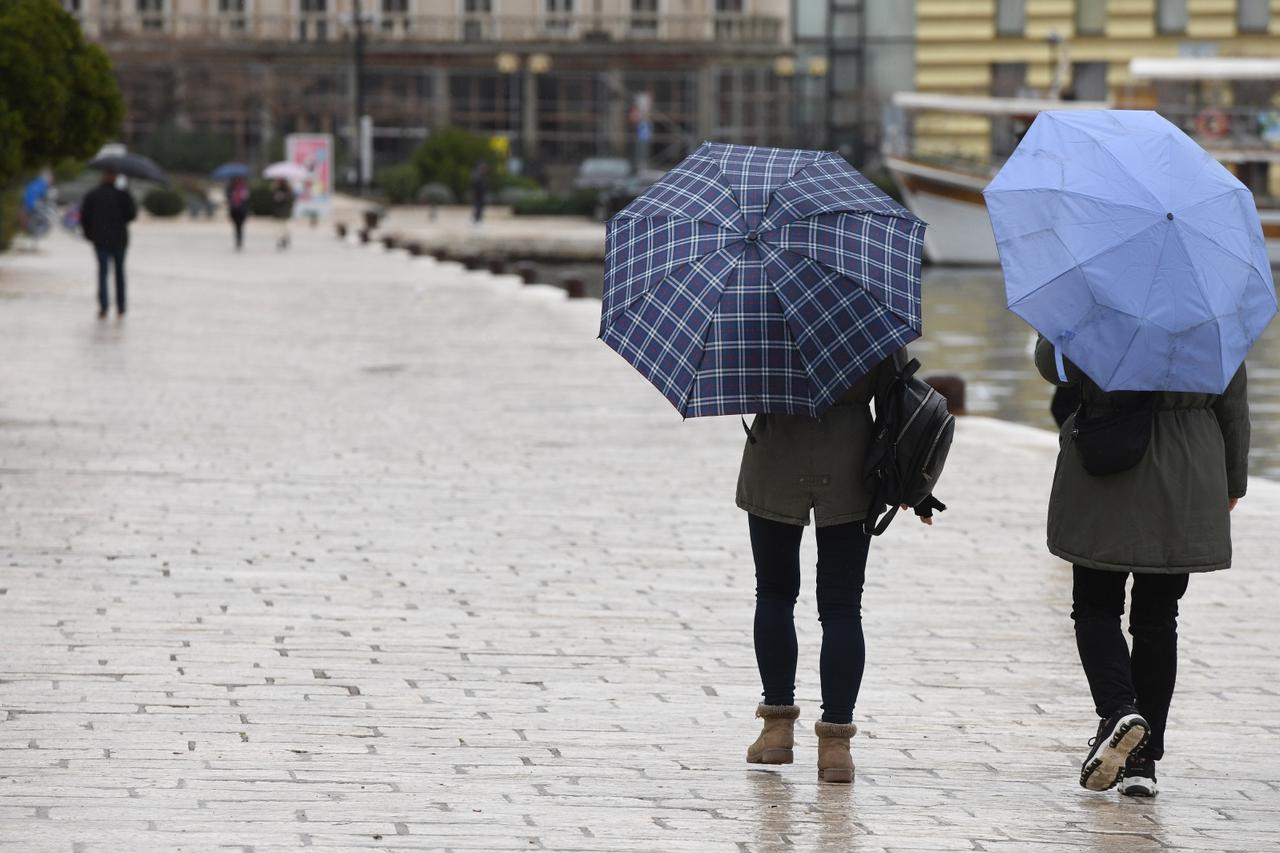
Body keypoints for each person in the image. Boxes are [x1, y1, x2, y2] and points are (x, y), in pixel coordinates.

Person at [1034, 337, 1249, 798]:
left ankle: (1118, 712)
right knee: (1157, 619)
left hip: (1104, 462)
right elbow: (1233, 404)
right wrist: (1232, 479)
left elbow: (1054, 369)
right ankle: (1141, 765)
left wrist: (1058, 328)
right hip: (1188, 466)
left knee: (1095, 607)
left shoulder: (1096, 305)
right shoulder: (1212, 312)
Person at [738, 350, 936, 784]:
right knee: (843, 606)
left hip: (775, 455)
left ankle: (776, 730)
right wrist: (916, 486)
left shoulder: (751, 309)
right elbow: (898, 399)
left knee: (773, 592)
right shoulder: (866, 311)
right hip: (853, 463)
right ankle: (836, 747)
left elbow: (737, 383)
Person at [79, 169, 137, 318]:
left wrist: (89, 235)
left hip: (101, 239)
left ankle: (105, 307)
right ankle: (120, 307)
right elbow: (132, 215)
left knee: (104, 273)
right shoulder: (122, 195)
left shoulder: (93, 195)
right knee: (118, 273)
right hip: (118, 240)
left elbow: (84, 218)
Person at [226, 177, 250, 250]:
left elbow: (246, 199)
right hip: (234, 210)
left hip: (241, 210)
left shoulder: (244, 189)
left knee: (239, 226)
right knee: (237, 226)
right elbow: (229, 198)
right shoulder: (231, 189)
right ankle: (238, 239)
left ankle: (239, 240)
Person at [271, 179, 293, 250]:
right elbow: (273, 199)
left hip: (285, 211)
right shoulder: (276, 189)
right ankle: (281, 240)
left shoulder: (288, 190)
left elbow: (290, 200)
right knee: (279, 227)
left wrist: (283, 197)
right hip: (278, 212)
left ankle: (285, 238)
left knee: (284, 227)